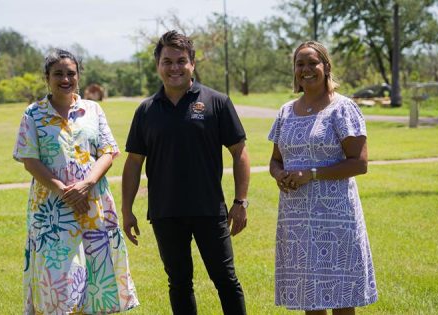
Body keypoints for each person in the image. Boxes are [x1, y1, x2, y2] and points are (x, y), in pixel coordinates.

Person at [121, 30, 250, 315]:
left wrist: (240, 202)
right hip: (166, 212)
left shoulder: (217, 102)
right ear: (158, 65)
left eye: (181, 61)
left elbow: (239, 152)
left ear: (192, 63)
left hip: (209, 210)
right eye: (167, 61)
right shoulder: (146, 111)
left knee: (226, 280)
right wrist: (127, 210)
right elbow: (133, 163)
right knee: (179, 283)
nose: (174, 68)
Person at [13, 49, 139, 314]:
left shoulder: (92, 110)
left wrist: (86, 185)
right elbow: (29, 159)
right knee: (58, 279)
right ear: (47, 78)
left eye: (70, 73)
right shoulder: (33, 114)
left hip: (93, 203)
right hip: (52, 211)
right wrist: (64, 191)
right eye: (58, 74)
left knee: (96, 274)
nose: (65, 79)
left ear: (78, 76)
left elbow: (108, 151)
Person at [268, 41, 378, 315]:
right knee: (310, 297)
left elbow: (360, 163)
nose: (306, 69)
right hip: (297, 221)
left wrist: (312, 174)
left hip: (335, 220)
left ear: (326, 66)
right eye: (300, 64)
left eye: (312, 62)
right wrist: (279, 174)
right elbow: (275, 160)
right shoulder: (285, 112)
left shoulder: (343, 108)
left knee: (340, 298)